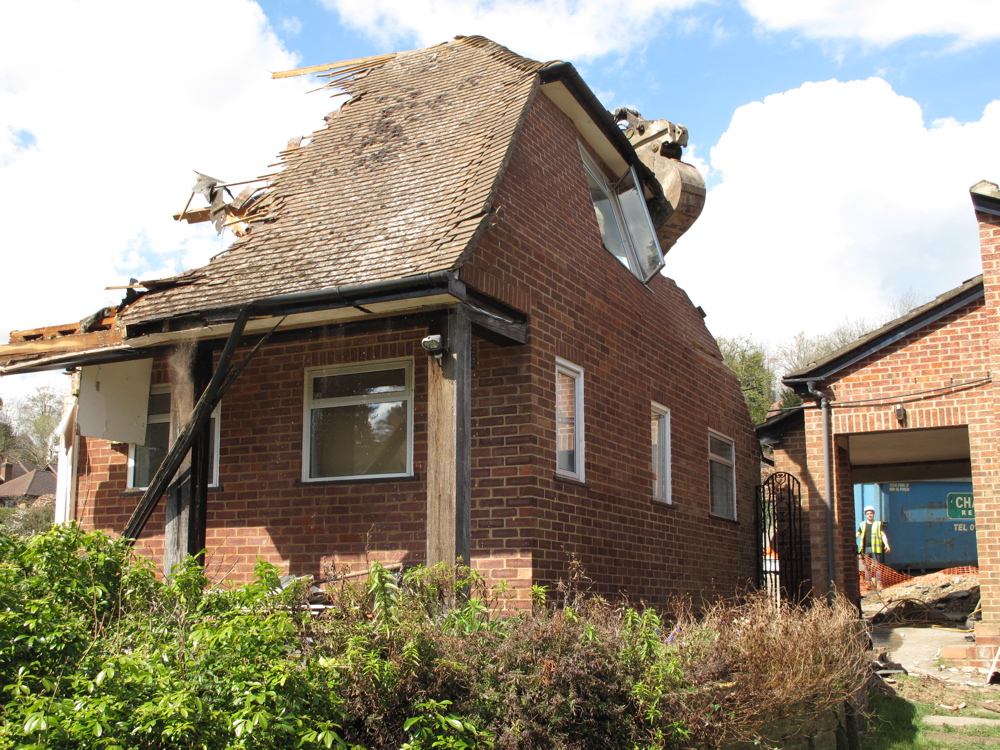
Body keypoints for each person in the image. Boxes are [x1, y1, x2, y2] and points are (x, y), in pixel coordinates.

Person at [857, 505, 891, 588]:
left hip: (876, 548)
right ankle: (868, 584)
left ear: (873, 514)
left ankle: (879, 583)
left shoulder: (878, 524)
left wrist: (886, 544)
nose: (869, 515)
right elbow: (858, 534)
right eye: (868, 513)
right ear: (865, 515)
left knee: (877, 566)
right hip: (865, 549)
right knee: (866, 566)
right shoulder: (862, 524)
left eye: (871, 513)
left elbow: (883, 535)